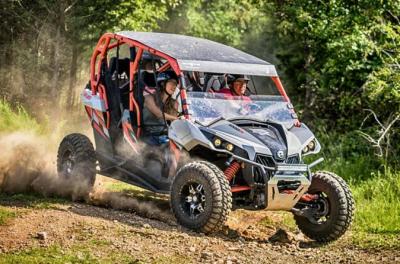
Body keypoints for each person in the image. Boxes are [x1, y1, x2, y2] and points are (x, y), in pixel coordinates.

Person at [142, 72, 179, 145]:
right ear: (162, 83)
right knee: (158, 153)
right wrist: (177, 119)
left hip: (165, 136)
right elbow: (159, 114)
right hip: (150, 135)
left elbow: (173, 123)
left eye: (176, 84)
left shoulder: (174, 103)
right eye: (172, 83)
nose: (174, 86)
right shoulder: (149, 98)